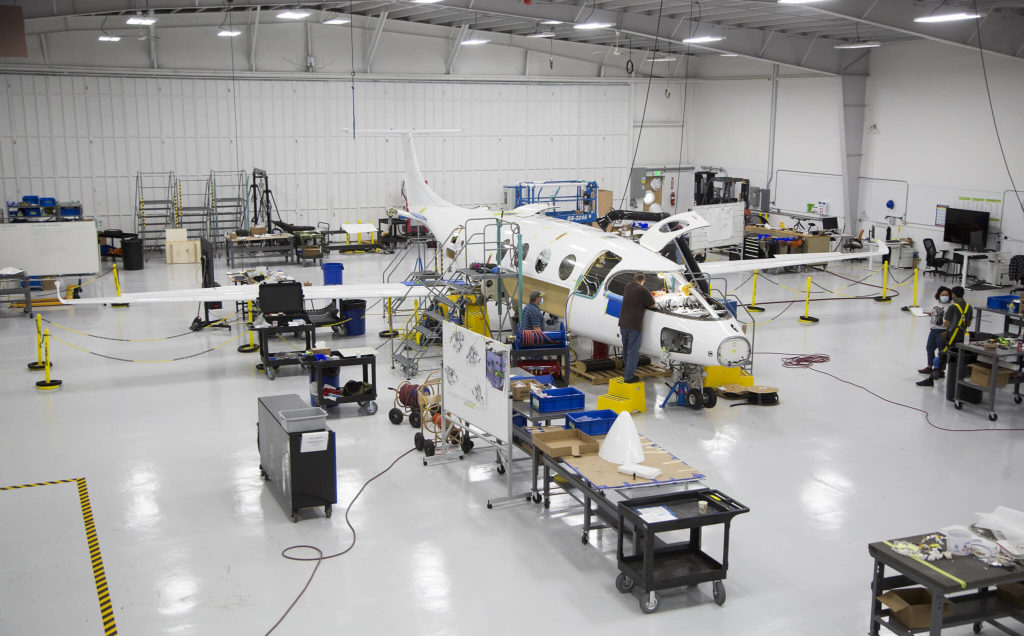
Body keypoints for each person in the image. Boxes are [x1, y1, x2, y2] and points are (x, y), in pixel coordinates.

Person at [917, 286, 973, 387]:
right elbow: (968, 323)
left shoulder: (952, 307)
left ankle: (935, 375)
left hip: (948, 334)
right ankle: (936, 371)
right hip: (960, 335)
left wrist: (949, 327)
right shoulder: (969, 307)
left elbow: (947, 323)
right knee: (942, 353)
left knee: (942, 354)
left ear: (953, 295)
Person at [618, 273, 656, 383]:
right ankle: (629, 377)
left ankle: (627, 372)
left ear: (634, 279)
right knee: (633, 351)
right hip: (634, 325)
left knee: (626, 349)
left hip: (623, 323)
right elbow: (652, 305)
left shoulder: (628, 286)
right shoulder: (643, 290)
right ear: (644, 280)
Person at [918, 286, 952, 375]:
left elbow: (950, 320)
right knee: (929, 348)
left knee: (941, 351)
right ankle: (930, 367)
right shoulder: (935, 304)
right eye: (943, 294)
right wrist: (928, 313)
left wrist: (947, 331)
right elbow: (935, 314)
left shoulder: (950, 307)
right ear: (939, 295)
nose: (944, 296)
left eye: (946, 295)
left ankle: (940, 370)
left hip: (942, 331)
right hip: (933, 330)